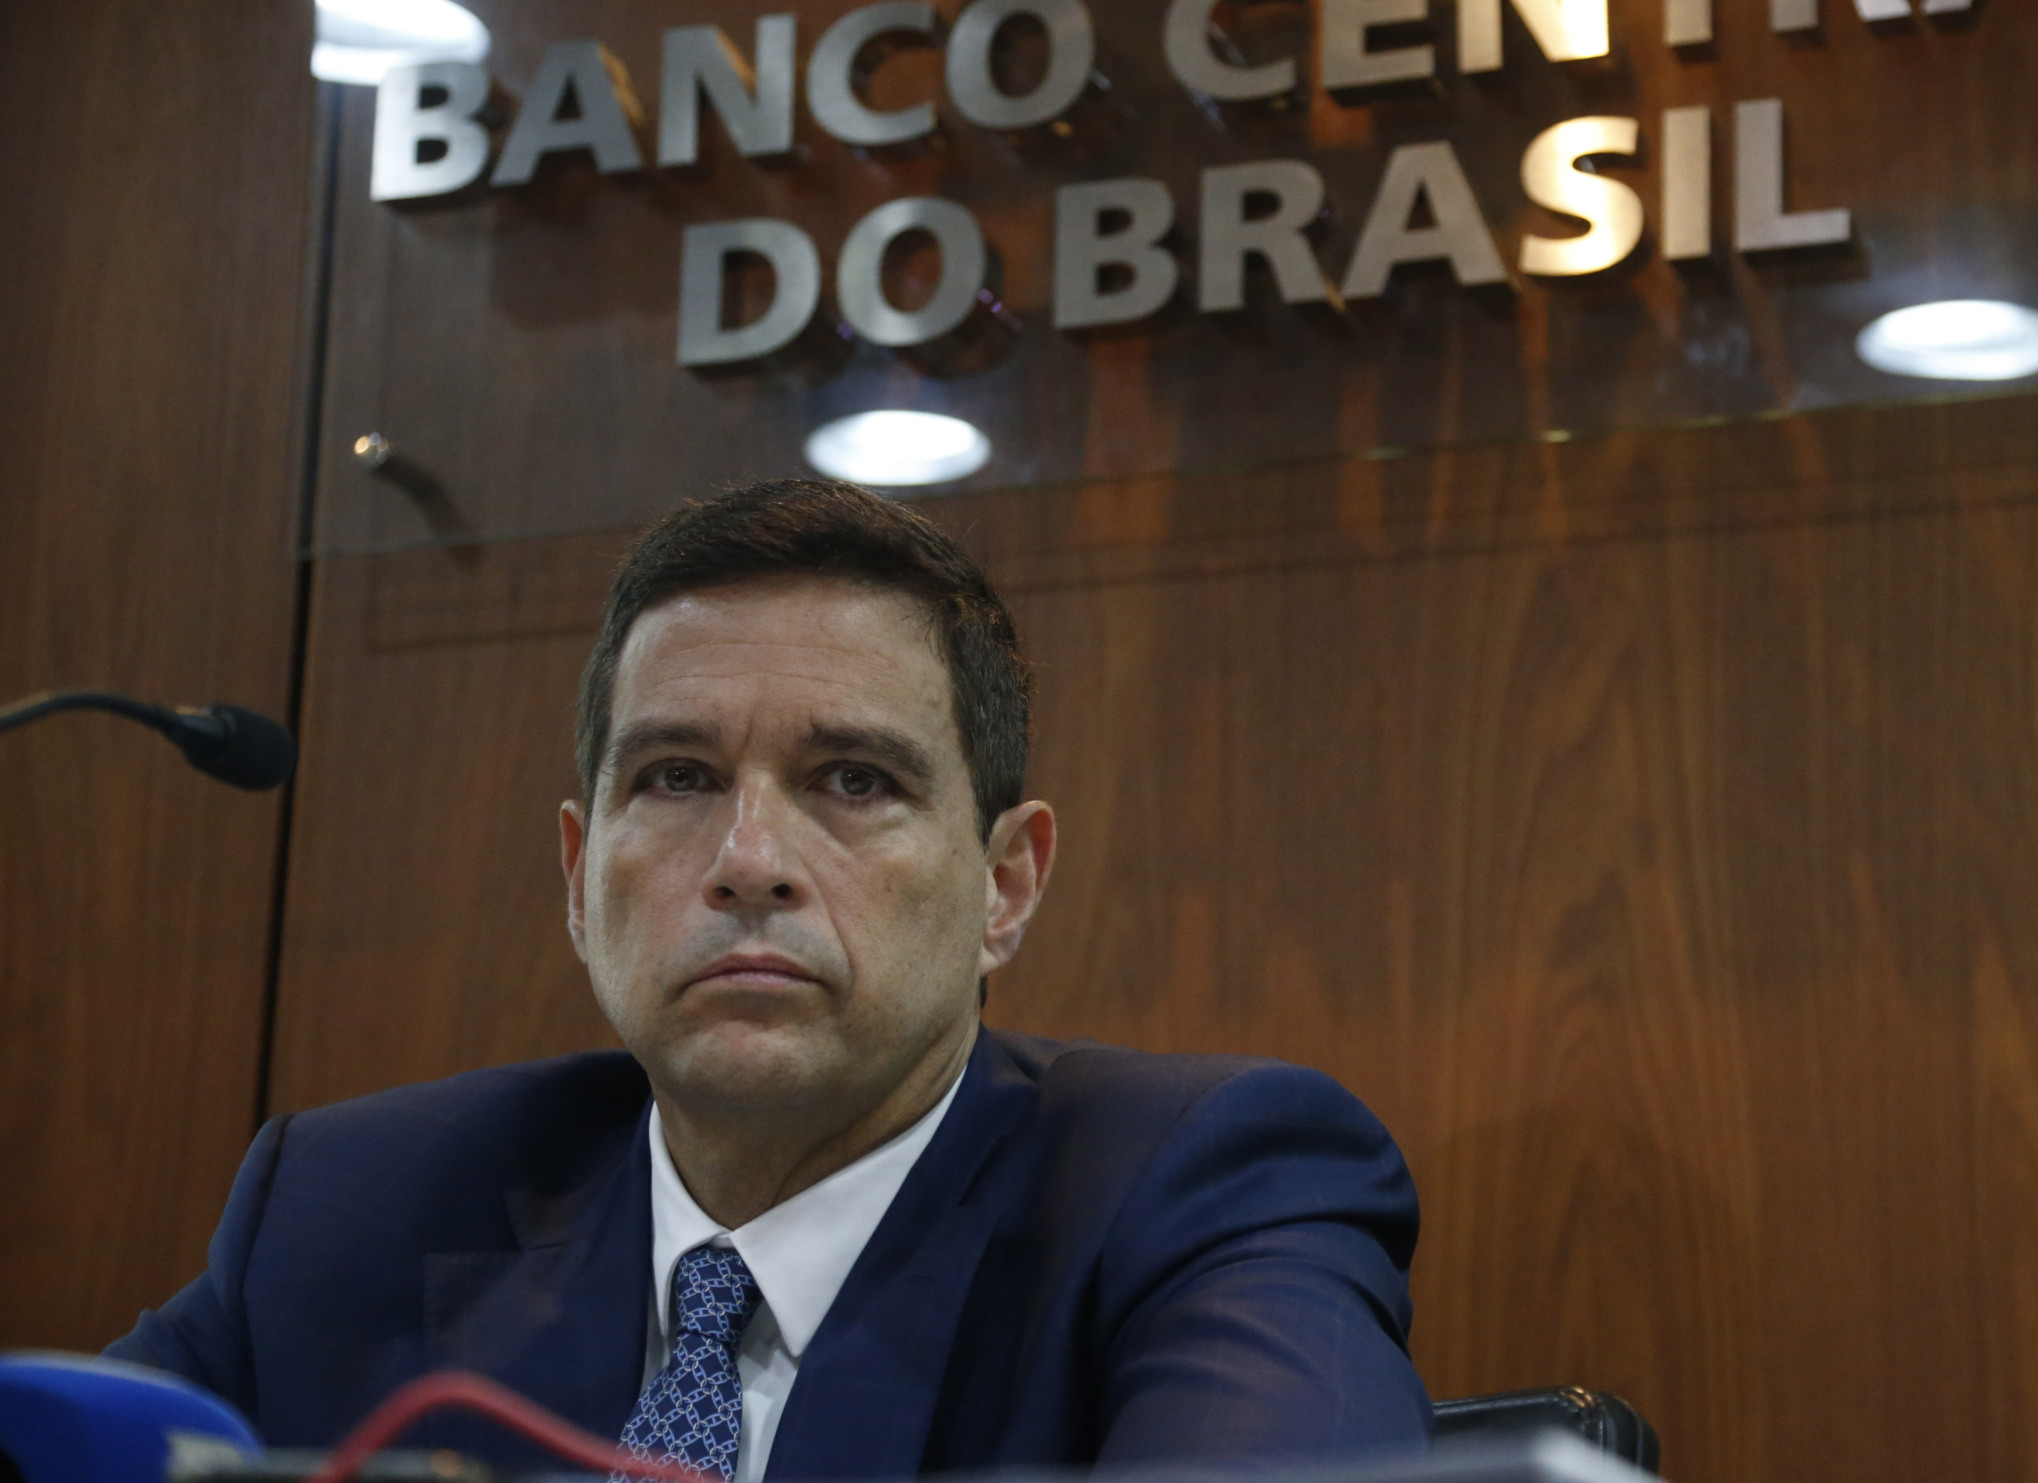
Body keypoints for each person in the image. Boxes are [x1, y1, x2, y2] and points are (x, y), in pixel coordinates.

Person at [108, 479, 1432, 1479]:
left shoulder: (1208, 1189)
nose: (748, 863)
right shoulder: (348, 1208)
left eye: (853, 781)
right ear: (580, 878)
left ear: (1005, 886)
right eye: (676, 778)